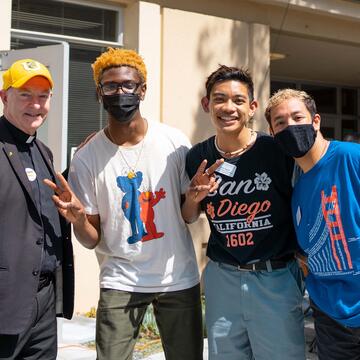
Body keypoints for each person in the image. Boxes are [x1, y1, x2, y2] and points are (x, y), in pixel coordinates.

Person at [45, 48, 203, 360]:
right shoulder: (87, 157)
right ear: (99, 93)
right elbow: (92, 240)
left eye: (129, 85)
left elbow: (189, 216)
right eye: (111, 86)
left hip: (177, 276)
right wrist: (78, 221)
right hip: (121, 279)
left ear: (142, 89)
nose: (120, 93)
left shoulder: (174, 142)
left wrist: (195, 199)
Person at [182, 65, 305, 360]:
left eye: (238, 100)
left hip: (275, 277)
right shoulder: (197, 157)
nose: (228, 107)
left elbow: (302, 205)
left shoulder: (276, 150)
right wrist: (192, 198)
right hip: (222, 278)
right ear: (206, 105)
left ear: (252, 107)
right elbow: (189, 216)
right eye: (219, 99)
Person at [265, 88, 360, 360]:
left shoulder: (351, 158)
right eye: (280, 123)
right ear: (272, 133)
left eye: (298, 117)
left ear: (316, 121)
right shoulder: (297, 191)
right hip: (332, 320)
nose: (290, 126)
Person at [0, 58, 74, 359]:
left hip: (44, 298)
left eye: (43, 96)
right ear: (5, 97)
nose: (36, 104)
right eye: (25, 95)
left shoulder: (43, 151)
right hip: (6, 300)